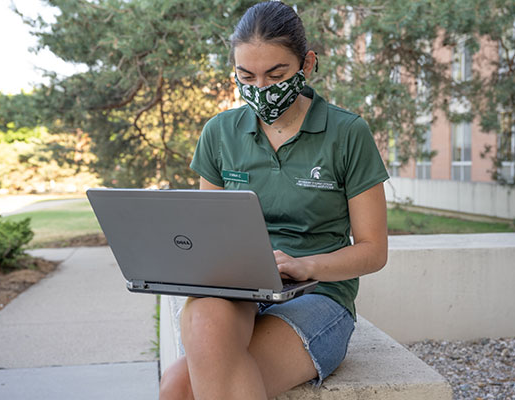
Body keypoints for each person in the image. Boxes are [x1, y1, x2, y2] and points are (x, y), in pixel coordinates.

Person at [159, 2, 389, 399]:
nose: (261, 88)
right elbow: (208, 237)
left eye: (276, 74)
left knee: (183, 388)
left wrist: (304, 265)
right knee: (200, 322)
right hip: (240, 289)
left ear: (307, 64)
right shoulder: (219, 133)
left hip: (318, 294)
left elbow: (374, 251)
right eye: (246, 75)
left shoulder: (348, 133)